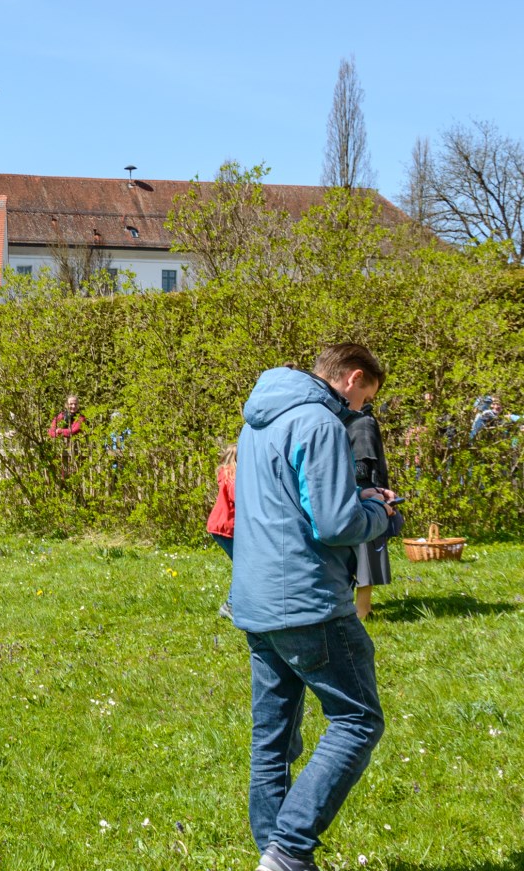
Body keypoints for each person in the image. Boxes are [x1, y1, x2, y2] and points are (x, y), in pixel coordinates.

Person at [230, 344, 401, 871]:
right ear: (352, 379)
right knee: (357, 720)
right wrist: (381, 516)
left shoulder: (260, 417)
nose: (362, 411)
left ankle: (273, 856)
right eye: (365, 399)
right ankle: (289, 849)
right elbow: (333, 525)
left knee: (274, 738)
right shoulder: (320, 423)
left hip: (256, 597)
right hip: (308, 600)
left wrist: (358, 503)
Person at [347, 401, 392, 621]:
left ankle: (363, 608)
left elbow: (363, 465)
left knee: (367, 553)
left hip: (365, 490)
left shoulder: (362, 422)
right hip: (355, 491)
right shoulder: (351, 419)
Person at [206, 443, 238, 619]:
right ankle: (231, 605)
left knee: (242, 564)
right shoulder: (231, 475)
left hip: (220, 527)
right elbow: (237, 496)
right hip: (225, 528)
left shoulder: (225, 473)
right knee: (242, 565)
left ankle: (235, 603)